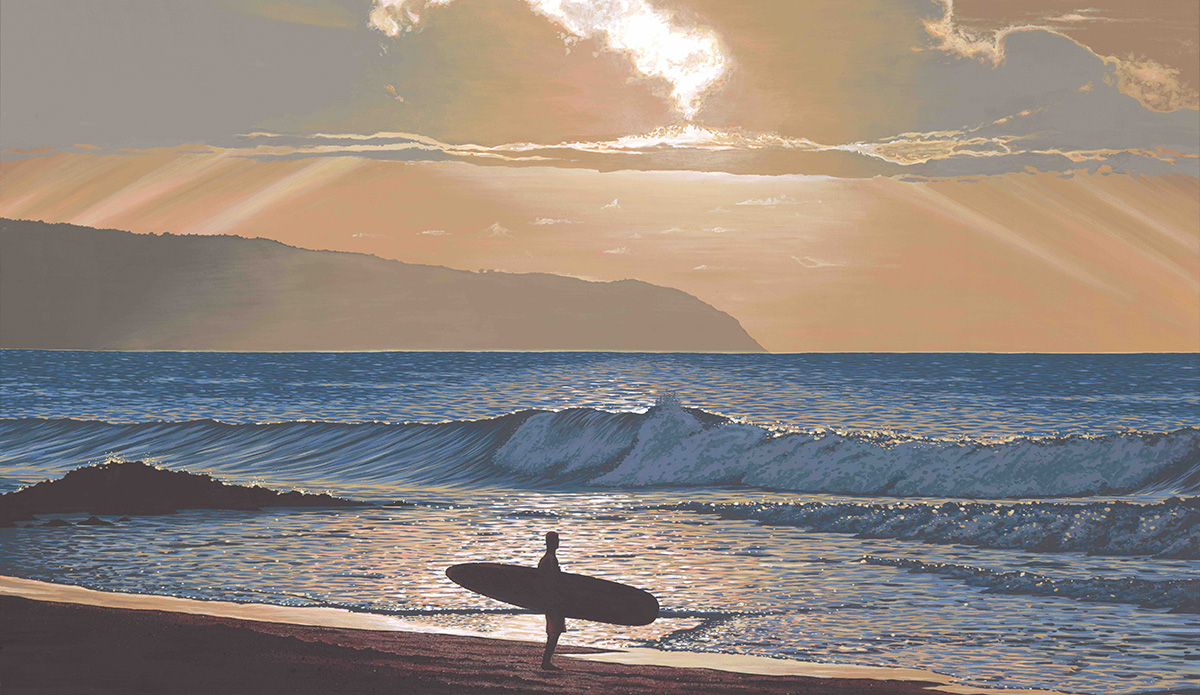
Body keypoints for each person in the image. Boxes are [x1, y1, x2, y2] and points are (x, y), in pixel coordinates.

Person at [538, 531, 565, 670]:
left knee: (554, 631)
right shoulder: (550, 560)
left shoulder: (547, 559)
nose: (559, 542)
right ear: (552, 543)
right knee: (554, 631)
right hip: (553, 600)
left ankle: (546, 661)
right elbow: (553, 581)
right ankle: (546, 662)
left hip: (551, 599)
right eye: (557, 540)